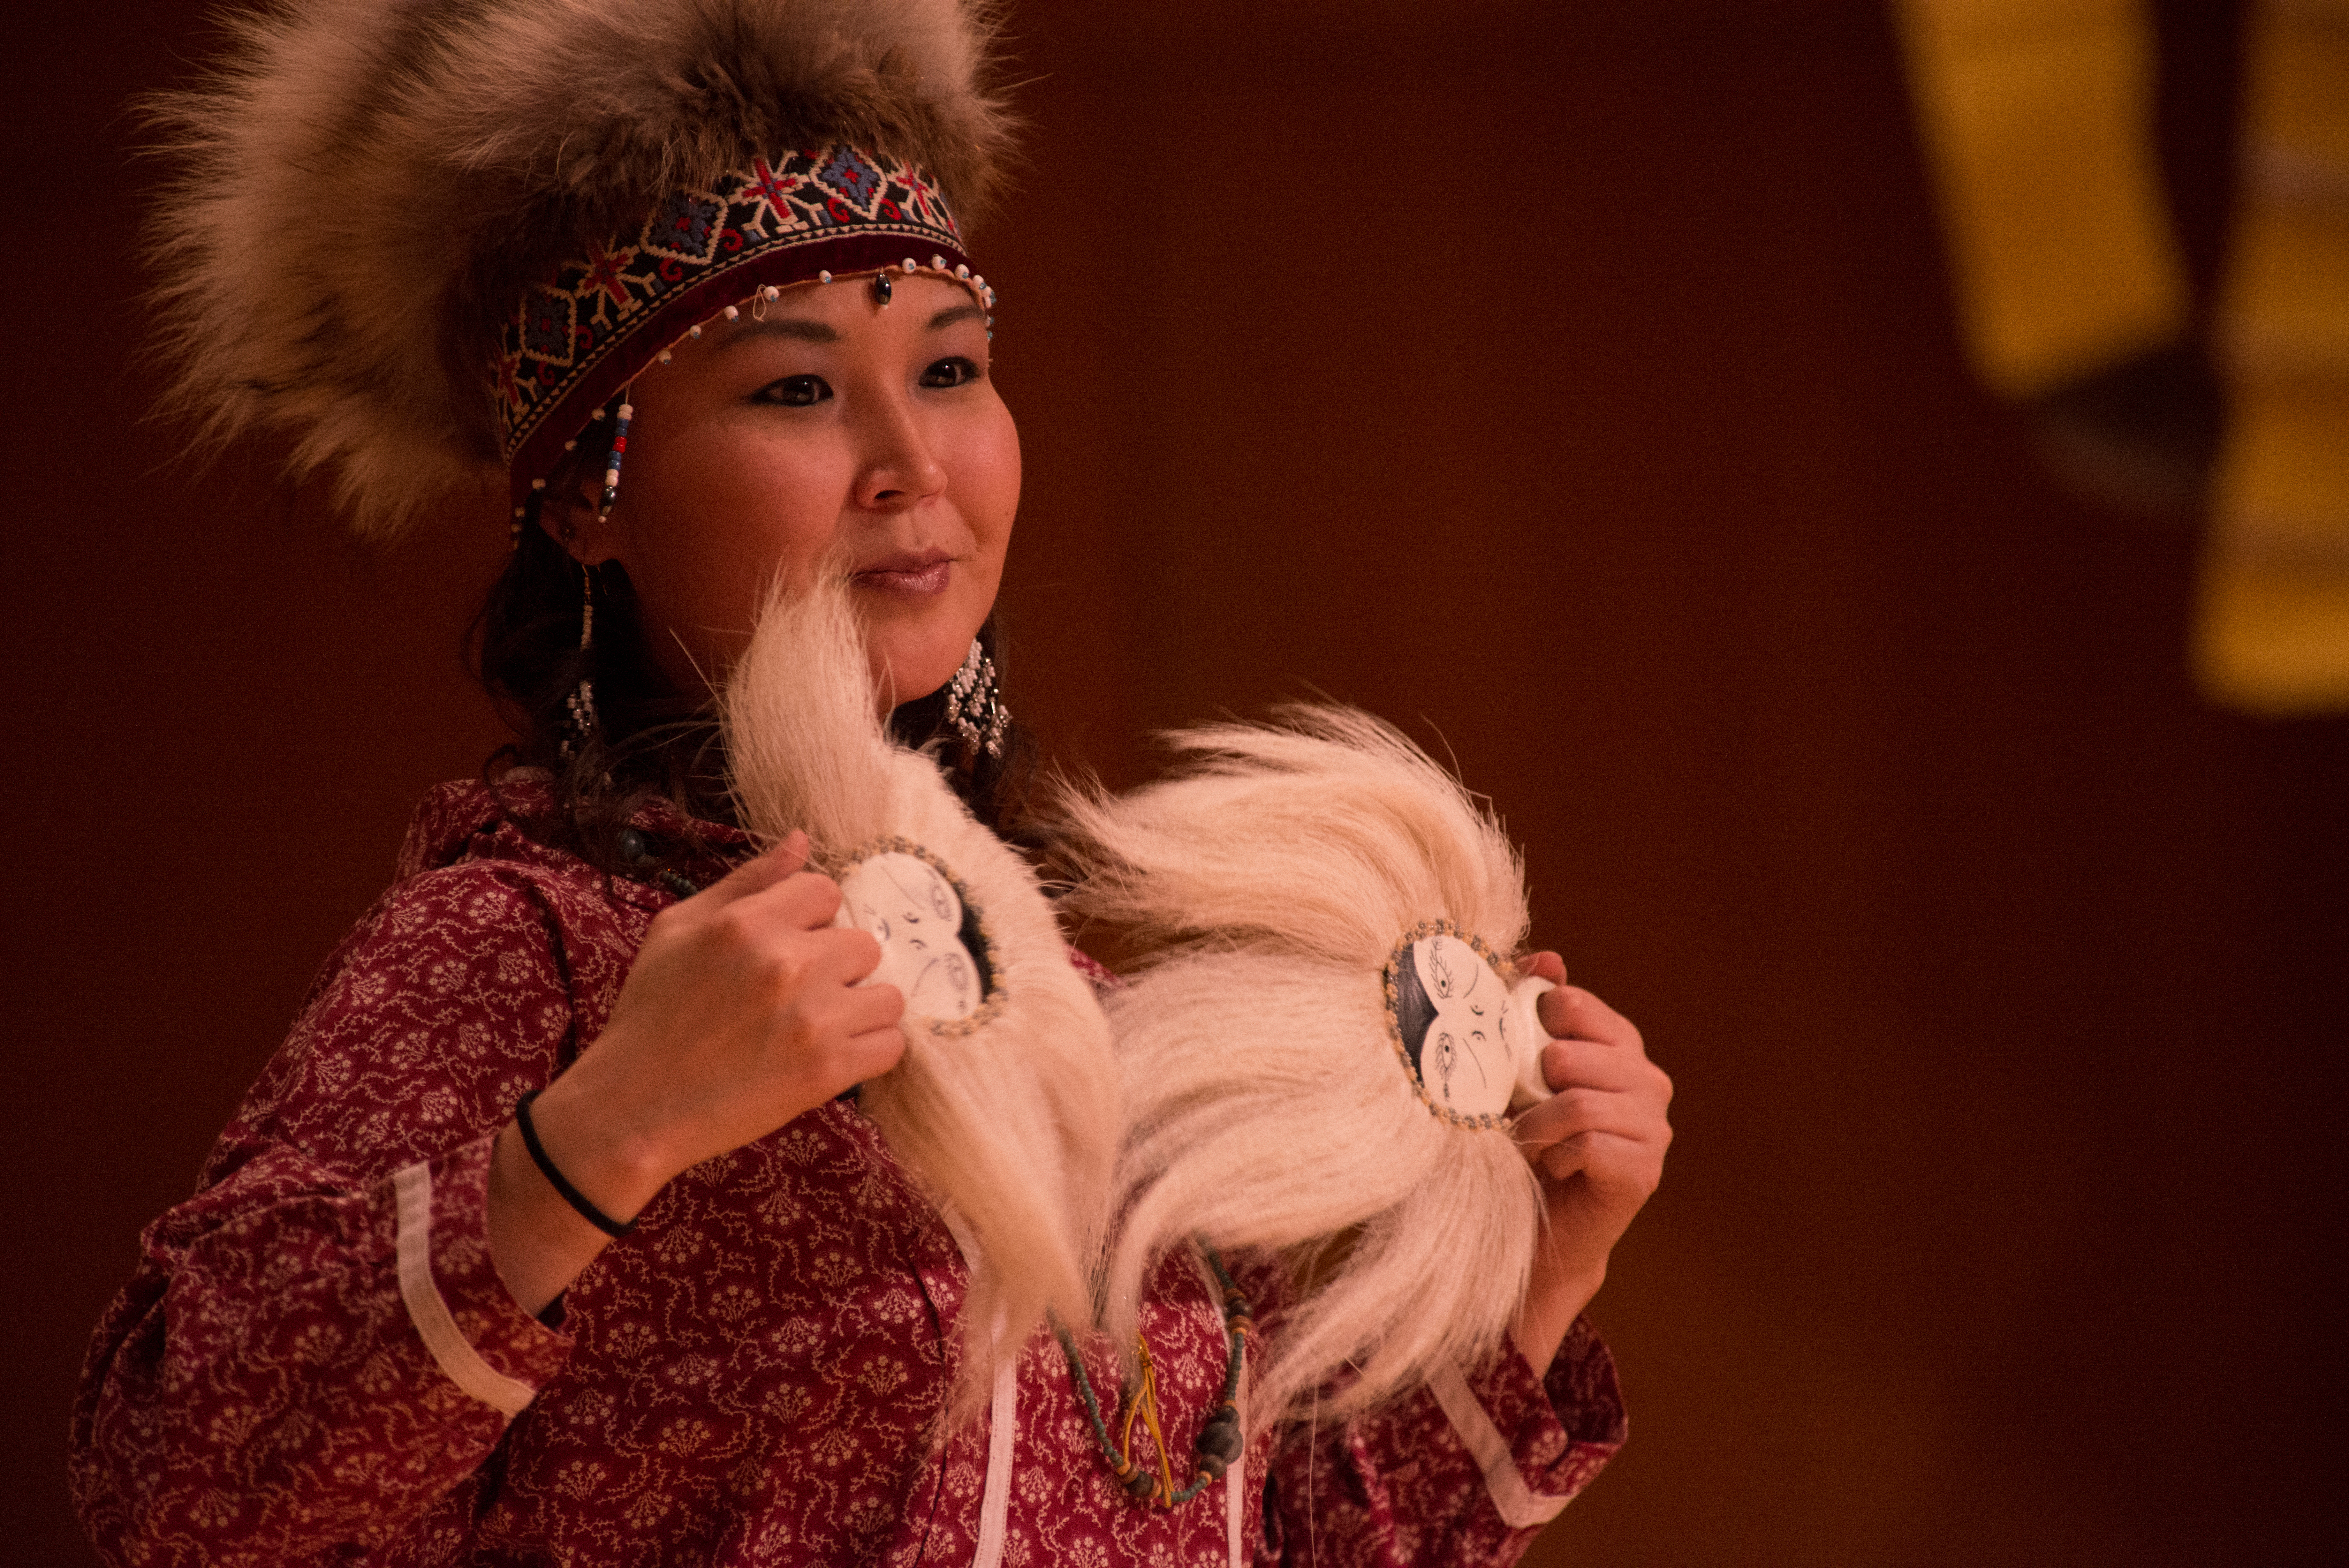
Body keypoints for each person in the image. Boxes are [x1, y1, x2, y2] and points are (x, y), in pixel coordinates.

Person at [70, 2, 1674, 1564]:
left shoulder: (1067, 993)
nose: (912, 458)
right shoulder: (527, 951)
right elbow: (177, 1482)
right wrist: (600, 1137)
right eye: (794, 388)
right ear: (581, 495)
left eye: (955, 367)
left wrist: (1536, 1273)